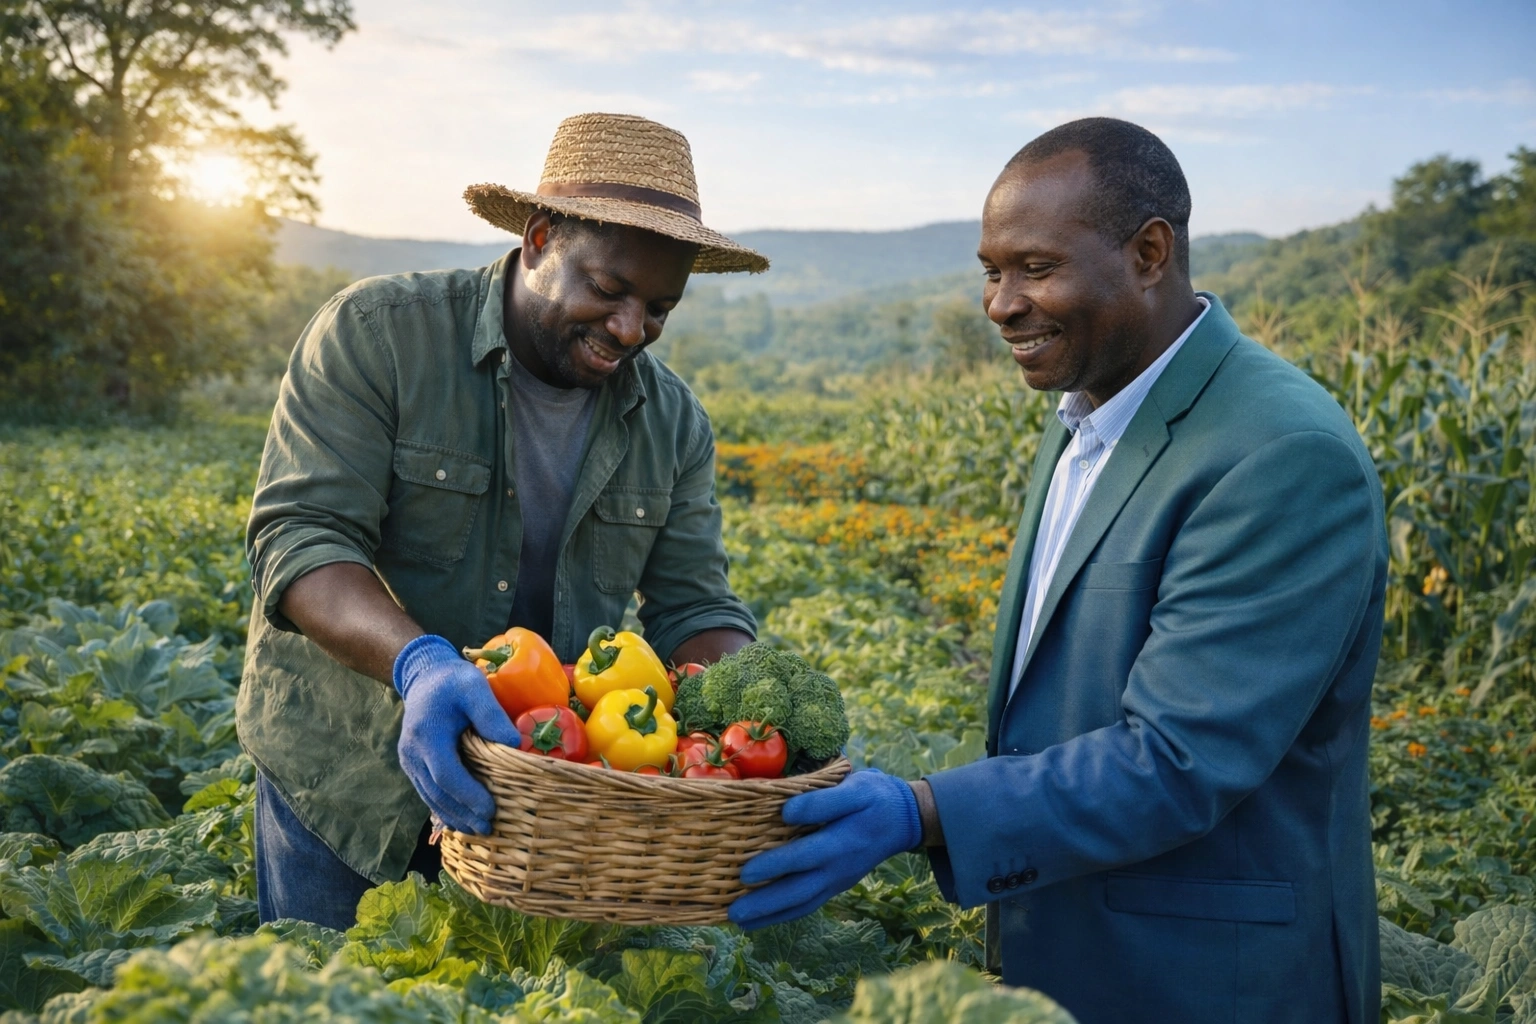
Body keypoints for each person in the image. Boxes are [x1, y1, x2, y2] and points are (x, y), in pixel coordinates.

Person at [731, 118, 1387, 1024]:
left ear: (1150, 253)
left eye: (1035, 269)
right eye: (990, 272)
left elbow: (1177, 758)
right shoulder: (1088, 406)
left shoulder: (1278, 453)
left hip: (1208, 981)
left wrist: (926, 813)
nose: (1000, 304)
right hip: (1075, 952)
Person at [240, 112, 766, 930]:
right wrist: (418, 666)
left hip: (543, 813)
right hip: (349, 784)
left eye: (660, 307)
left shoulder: (672, 423)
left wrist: (748, 711)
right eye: (608, 289)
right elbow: (304, 541)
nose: (632, 330)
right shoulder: (381, 335)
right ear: (539, 238)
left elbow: (695, 607)